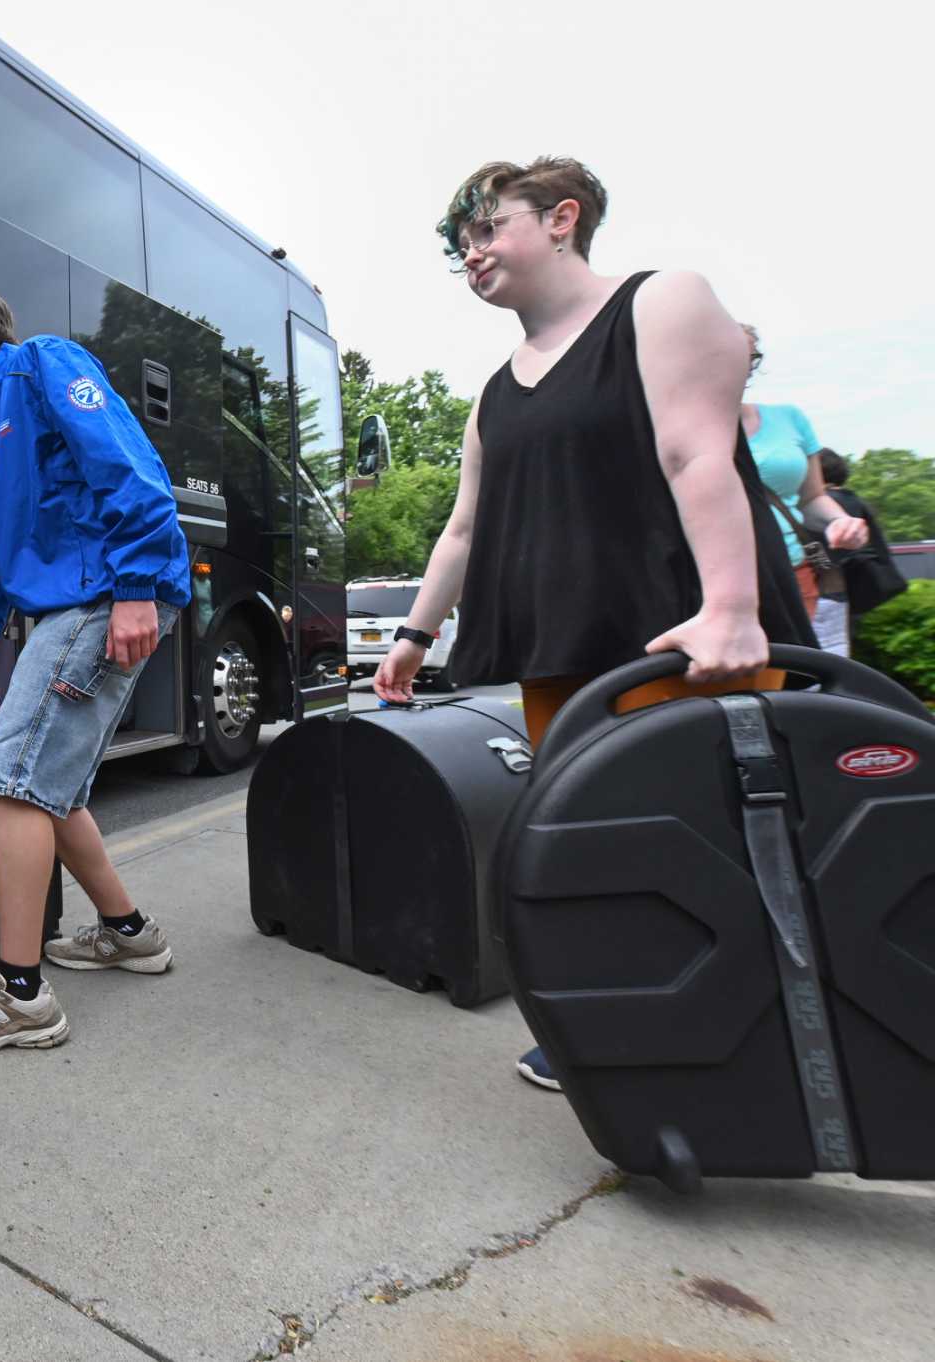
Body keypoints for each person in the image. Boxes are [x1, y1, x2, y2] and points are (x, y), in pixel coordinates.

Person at [372, 158, 817, 1093]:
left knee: (721, 842)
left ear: (563, 218)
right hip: (560, 656)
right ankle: (619, 1020)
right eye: (461, 248)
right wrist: (414, 638)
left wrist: (732, 608)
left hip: (682, 638)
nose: (472, 255)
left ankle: (776, 1044)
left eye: (488, 230)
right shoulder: (497, 389)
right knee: (597, 843)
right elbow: (463, 527)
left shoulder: (664, 301)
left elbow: (698, 450)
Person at [0, 286, 191, 1055]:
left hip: (101, 599)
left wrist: (135, 587)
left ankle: (21, 996)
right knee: (48, 785)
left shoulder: (41, 367)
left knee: (15, 777)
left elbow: (126, 466)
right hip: (81, 603)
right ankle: (131, 935)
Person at [734, 326, 868, 622]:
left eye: (750, 358)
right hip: (701, 581)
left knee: (792, 667)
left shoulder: (789, 418)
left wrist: (839, 522)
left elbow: (811, 499)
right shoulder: (662, 424)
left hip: (791, 572)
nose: (742, 367)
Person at [815, 447, 899, 654]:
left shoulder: (822, 505)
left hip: (826, 594)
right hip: (854, 590)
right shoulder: (854, 500)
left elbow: (817, 550)